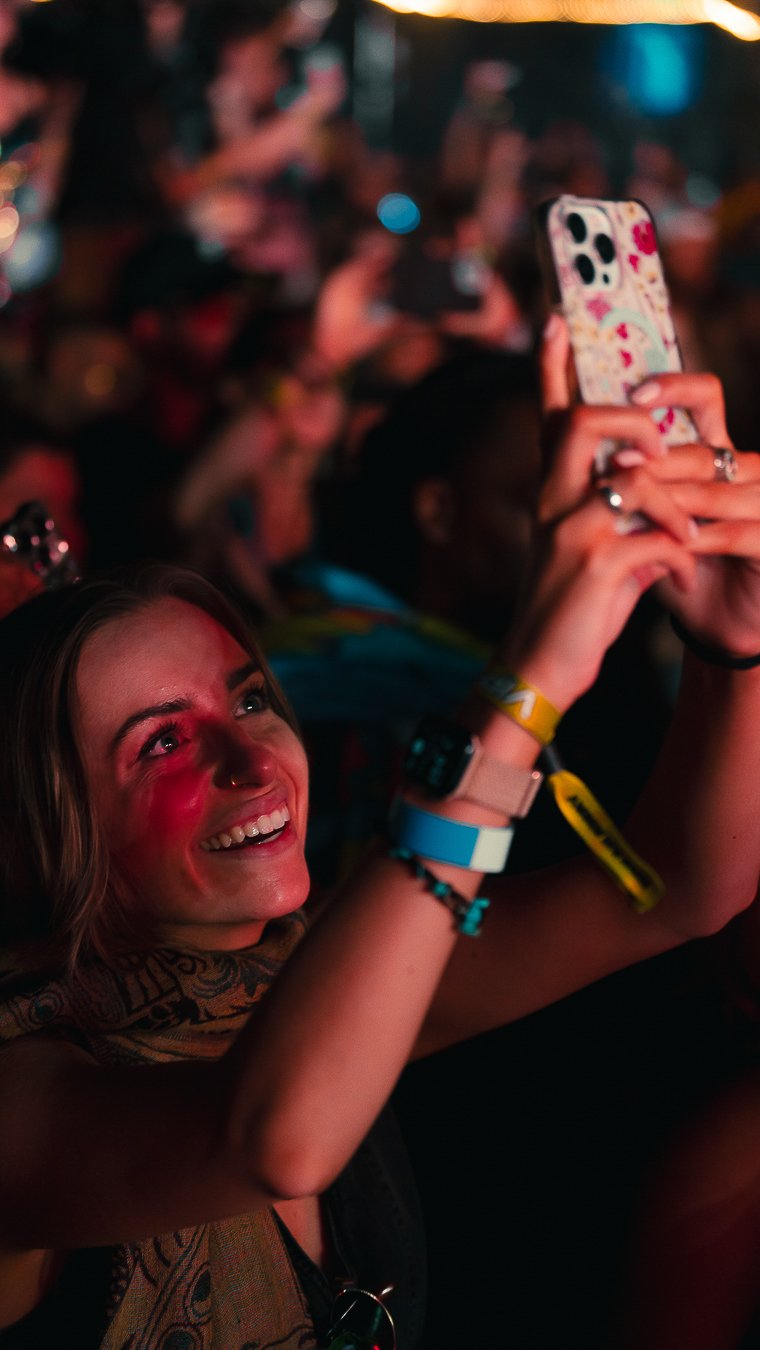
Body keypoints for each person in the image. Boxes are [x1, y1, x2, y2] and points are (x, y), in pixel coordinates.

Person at [2, 321, 760, 1348]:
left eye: (251, 701)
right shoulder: (22, 1088)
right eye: (162, 743)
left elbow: (680, 885)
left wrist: (732, 648)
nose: (252, 761)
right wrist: (528, 677)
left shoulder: (305, 967)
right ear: (40, 823)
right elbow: (275, 1136)